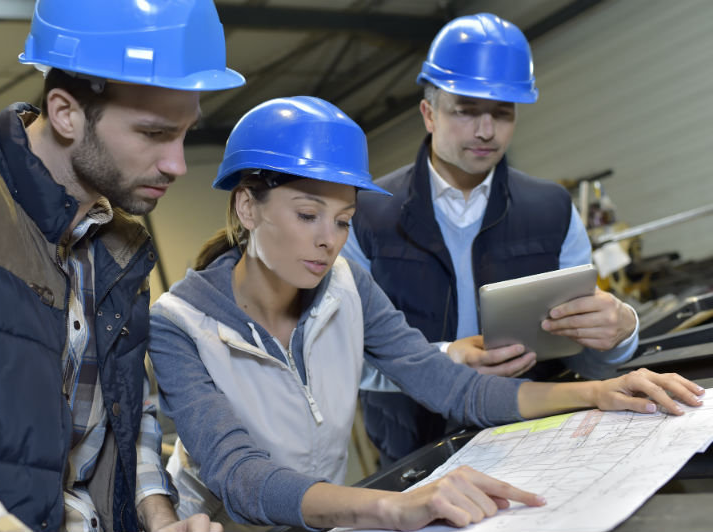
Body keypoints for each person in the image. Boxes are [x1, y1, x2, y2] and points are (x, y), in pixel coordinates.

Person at [147, 96, 701, 531]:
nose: (328, 242)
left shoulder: (345, 282)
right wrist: (392, 507)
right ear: (248, 206)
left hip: (332, 516)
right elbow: (241, 477)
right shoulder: (179, 324)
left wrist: (596, 392)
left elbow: (450, 386)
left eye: (343, 221)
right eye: (308, 214)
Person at [0, 1, 243, 530]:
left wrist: (159, 519)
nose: (178, 164)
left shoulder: (121, 244)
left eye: (185, 133)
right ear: (66, 112)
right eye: (155, 134)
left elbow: (128, 422)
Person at [340, 12, 641, 466]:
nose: (486, 131)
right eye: (465, 110)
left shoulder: (553, 210)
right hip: (415, 456)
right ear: (429, 113)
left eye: (502, 114)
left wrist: (620, 333)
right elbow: (343, 357)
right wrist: (443, 360)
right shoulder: (365, 214)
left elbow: (587, 361)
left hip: (536, 441)